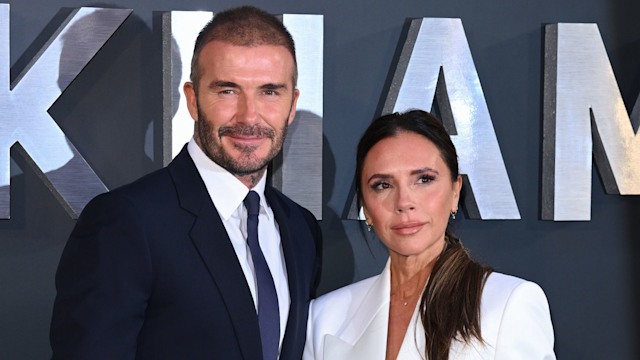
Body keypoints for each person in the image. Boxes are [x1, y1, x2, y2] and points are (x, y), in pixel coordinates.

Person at [50, 6, 322, 360]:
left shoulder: (299, 228)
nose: (249, 116)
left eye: (270, 92)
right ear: (193, 99)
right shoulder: (127, 222)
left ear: (292, 104)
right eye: (227, 91)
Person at [303, 110, 555, 359]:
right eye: (383, 185)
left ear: (455, 192)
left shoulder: (509, 305)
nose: (404, 202)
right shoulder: (324, 318)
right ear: (365, 208)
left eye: (423, 179)